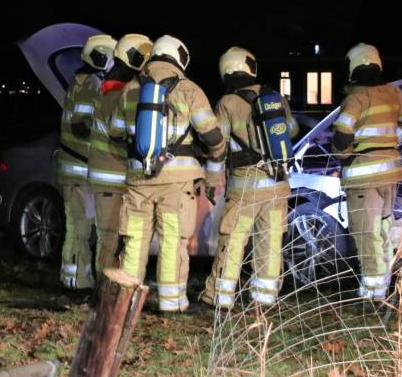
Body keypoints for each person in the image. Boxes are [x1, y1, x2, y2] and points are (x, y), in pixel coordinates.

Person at [113, 35, 226, 313]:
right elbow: (212, 135)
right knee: (172, 242)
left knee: (135, 242)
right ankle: (172, 304)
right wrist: (216, 150)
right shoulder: (189, 90)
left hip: (139, 180)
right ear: (180, 58)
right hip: (177, 183)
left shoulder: (130, 88)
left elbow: (115, 132)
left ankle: (125, 305)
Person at [199, 47, 300, 309]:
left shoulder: (227, 103)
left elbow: (217, 145)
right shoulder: (274, 97)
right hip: (278, 186)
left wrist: (211, 181)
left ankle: (219, 298)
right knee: (271, 242)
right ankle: (265, 299)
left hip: (245, 188)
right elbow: (291, 130)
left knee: (232, 241)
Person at [331, 43, 402, 301]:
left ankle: (371, 293)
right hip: (390, 174)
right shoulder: (394, 93)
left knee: (365, 234)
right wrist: (391, 141)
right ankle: (384, 283)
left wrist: (343, 154)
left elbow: (343, 131)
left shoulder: (355, 97)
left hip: (363, 178)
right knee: (383, 230)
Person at [87, 34, 153, 273]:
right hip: (113, 179)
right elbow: (123, 135)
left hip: (110, 179)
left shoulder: (110, 88)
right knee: (110, 240)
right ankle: (104, 293)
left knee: (112, 240)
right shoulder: (119, 94)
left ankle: (108, 290)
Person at [58, 34, 117, 292]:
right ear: (101, 56)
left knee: (79, 229)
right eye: (112, 57)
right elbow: (82, 125)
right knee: (80, 229)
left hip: (78, 170)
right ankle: (75, 283)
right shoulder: (90, 83)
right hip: (80, 171)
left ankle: (78, 279)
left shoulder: (82, 81)